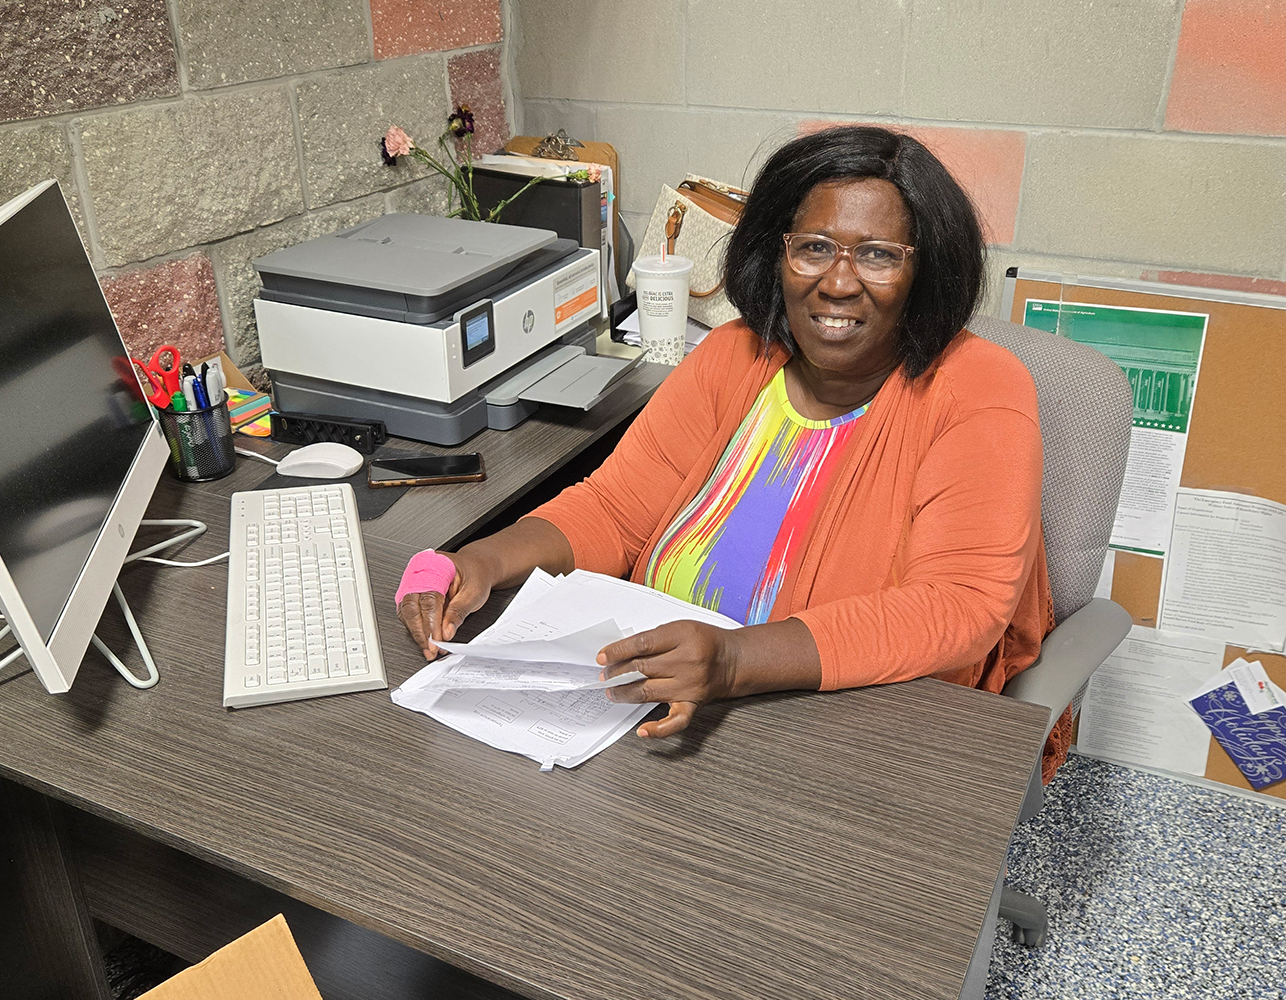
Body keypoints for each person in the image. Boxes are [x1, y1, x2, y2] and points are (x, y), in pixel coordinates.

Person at [396, 126, 1063, 775]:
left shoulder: (977, 390)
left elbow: (957, 606)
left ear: (925, 270)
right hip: (655, 715)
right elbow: (615, 507)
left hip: (849, 740)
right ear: (778, 254)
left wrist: (734, 661)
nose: (838, 282)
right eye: (814, 247)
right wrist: (478, 560)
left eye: (879, 254)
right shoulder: (734, 356)